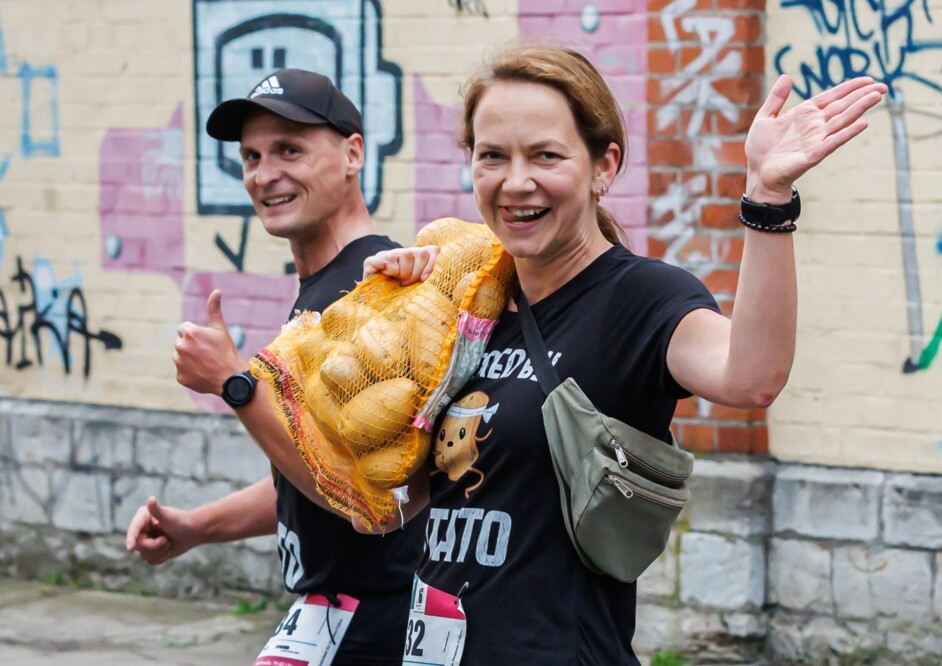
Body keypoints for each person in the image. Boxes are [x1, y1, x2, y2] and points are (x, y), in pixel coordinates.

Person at [362, 46, 888, 663]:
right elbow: (386, 507)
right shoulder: (464, 304)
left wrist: (767, 197)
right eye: (492, 156)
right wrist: (381, 330)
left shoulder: (638, 299)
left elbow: (751, 378)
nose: (516, 182)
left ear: (604, 166)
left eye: (546, 156)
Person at [124, 68, 426, 665]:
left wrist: (235, 385)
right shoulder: (325, 288)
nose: (264, 175)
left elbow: (365, 496)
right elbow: (309, 469)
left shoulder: (377, 291)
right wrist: (196, 526)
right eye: (252, 157)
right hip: (335, 611)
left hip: (376, 618)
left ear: (353, 154)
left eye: (289, 149)